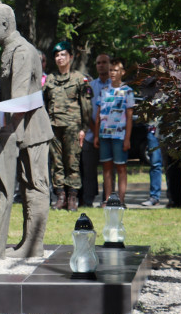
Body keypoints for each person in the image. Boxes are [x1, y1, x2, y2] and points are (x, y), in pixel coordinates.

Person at [0, 3, 53, 259]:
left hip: (31, 130)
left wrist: (12, 131)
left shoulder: (22, 51)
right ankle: (28, 242)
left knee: (35, 185)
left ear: (5, 25)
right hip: (22, 128)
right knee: (27, 186)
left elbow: (21, 97)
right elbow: (1, 90)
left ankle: (34, 245)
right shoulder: (10, 49)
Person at [43, 41, 92, 211]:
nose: (59, 58)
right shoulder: (50, 79)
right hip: (53, 126)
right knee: (57, 163)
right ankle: (60, 196)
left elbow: (86, 106)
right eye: (57, 55)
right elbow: (44, 102)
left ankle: (72, 198)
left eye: (63, 54)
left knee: (72, 163)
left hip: (72, 127)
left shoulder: (79, 79)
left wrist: (83, 129)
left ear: (70, 57)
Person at [94, 58, 135, 206]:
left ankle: (121, 200)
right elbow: (98, 114)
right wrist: (96, 135)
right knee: (106, 168)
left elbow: (129, 117)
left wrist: (127, 138)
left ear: (122, 72)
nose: (112, 73)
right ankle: (107, 199)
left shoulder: (127, 91)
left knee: (121, 167)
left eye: (115, 70)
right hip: (105, 134)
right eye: (111, 70)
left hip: (120, 135)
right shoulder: (104, 91)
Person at [81, 53, 111, 207]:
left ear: (110, 65)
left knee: (109, 170)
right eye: (98, 62)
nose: (101, 65)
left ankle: (108, 199)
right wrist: (95, 132)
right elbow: (86, 111)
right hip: (91, 134)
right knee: (89, 170)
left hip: (111, 135)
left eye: (104, 62)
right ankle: (88, 200)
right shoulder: (90, 87)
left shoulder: (116, 86)